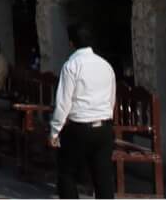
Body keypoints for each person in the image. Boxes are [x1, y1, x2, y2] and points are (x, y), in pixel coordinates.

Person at [48, 23, 118, 199]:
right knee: (103, 176)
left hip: (79, 127)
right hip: (104, 128)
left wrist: (55, 131)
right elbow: (111, 98)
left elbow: (63, 102)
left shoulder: (71, 66)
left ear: (71, 43)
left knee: (67, 172)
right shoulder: (106, 66)